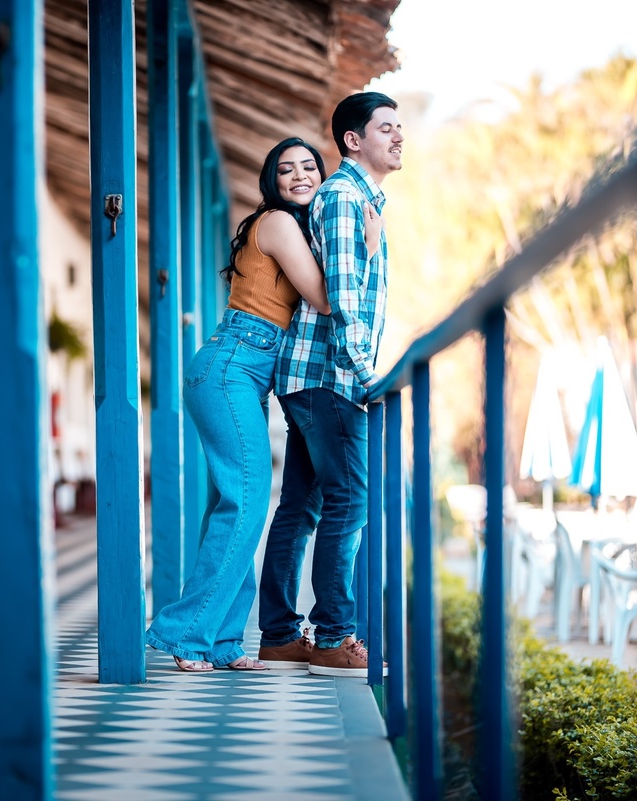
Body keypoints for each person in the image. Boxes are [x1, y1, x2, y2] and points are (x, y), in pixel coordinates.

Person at [146, 137, 377, 672]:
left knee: (234, 505)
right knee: (246, 504)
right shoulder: (276, 222)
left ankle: (224, 640)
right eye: (286, 169)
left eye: (309, 167)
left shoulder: (294, 228)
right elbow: (323, 297)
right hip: (232, 366)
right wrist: (364, 246)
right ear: (272, 181)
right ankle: (184, 635)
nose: (300, 176)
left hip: (245, 371)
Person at [257, 92, 403, 676]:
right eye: (386, 128)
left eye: (400, 127)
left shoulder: (352, 199)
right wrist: (370, 379)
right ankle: (334, 636)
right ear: (353, 140)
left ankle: (278, 634)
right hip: (331, 376)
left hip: (312, 376)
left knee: (302, 506)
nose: (397, 137)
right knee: (351, 501)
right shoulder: (344, 199)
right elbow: (343, 299)